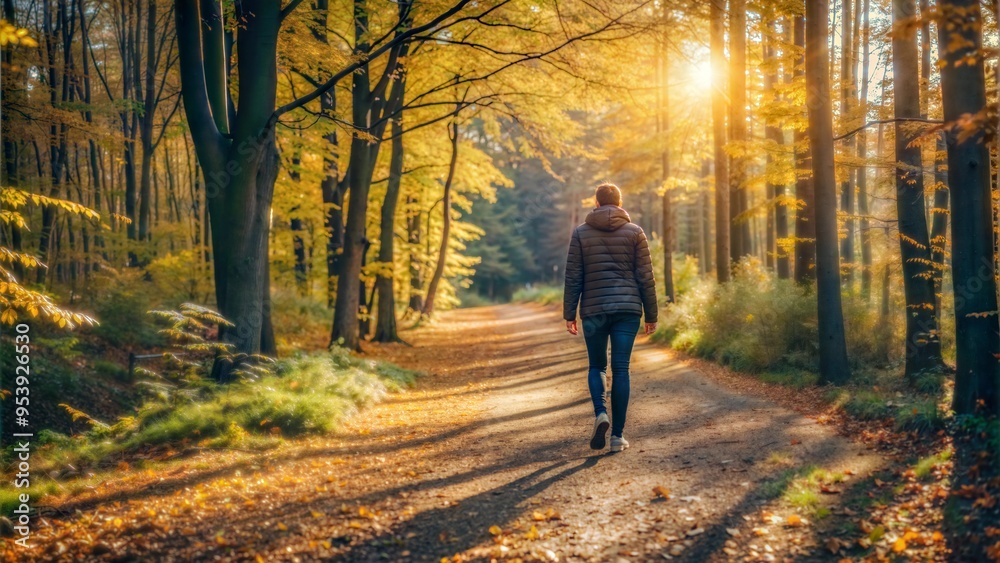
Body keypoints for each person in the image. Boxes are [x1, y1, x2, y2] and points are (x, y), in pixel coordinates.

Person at [563, 183, 657, 452]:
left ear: (596, 202)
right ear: (619, 202)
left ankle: (600, 413)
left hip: (593, 309)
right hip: (627, 310)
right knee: (621, 369)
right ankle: (617, 436)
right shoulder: (636, 232)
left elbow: (573, 276)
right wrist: (651, 314)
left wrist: (569, 313)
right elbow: (645, 278)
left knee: (597, 366)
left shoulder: (581, 233)